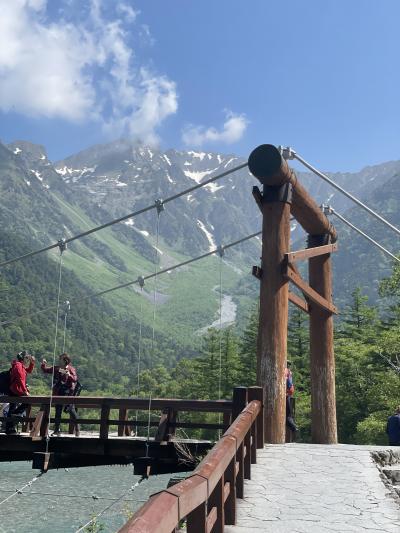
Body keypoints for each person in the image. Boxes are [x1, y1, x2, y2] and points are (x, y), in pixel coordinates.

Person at [41, 353, 80, 436]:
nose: (59, 360)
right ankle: (57, 430)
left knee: (70, 409)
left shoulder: (70, 369)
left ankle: (77, 428)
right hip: (59, 392)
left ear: (65, 361)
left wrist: (69, 375)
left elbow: (75, 379)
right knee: (58, 411)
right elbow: (46, 370)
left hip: (68, 392)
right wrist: (43, 364)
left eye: (61, 359)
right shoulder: (57, 368)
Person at [6, 351, 35, 435]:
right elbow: (20, 379)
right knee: (27, 402)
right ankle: (11, 425)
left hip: (15, 390)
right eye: (26, 357)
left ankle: (10, 428)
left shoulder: (20, 365)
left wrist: (32, 363)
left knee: (12, 408)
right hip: (16, 390)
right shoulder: (18, 366)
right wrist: (25, 391)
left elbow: (28, 371)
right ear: (22, 358)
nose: (27, 359)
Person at [285, 361, 298, 435]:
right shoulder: (289, 372)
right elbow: (290, 384)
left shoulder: (285, 371)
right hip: (288, 394)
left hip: (285, 394)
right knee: (288, 413)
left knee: (287, 414)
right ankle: (293, 427)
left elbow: (289, 384)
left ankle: (293, 427)